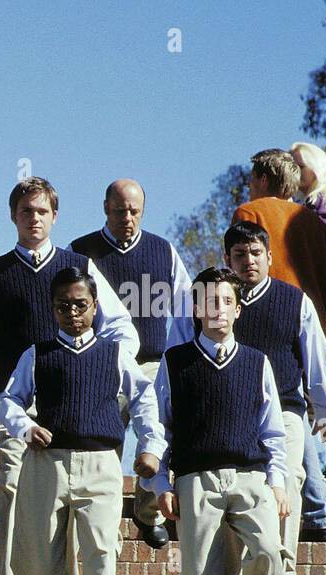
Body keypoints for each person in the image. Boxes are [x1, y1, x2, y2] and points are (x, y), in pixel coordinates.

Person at [0, 177, 139, 575]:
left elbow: (123, 330)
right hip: (16, 404)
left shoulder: (79, 266)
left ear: (55, 216)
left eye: (42, 211)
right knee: (10, 492)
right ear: (13, 216)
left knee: (73, 495)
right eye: (26, 211)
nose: (34, 219)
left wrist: (101, 375)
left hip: (75, 403)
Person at [0, 267, 163, 575]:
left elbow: (144, 400)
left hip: (100, 467)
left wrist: (150, 446)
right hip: (46, 466)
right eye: (63, 305)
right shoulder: (37, 354)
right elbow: (8, 401)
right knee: (37, 565)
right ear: (52, 309)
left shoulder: (114, 355)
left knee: (100, 566)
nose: (73, 312)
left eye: (81, 304)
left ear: (95, 307)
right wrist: (25, 425)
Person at [149, 268, 288, 575]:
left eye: (226, 301)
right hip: (195, 480)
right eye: (209, 301)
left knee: (270, 555)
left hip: (249, 477)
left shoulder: (256, 362)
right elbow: (158, 428)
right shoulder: (175, 362)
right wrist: (158, 482)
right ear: (196, 308)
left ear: (237, 308)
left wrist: (278, 482)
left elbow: (274, 431)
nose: (218, 309)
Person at [208, 222, 326, 575]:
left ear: (268, 257)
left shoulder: (294, 301)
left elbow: (315, 356)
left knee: (288, 482)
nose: (248, 261)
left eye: (255, 253)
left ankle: (283, 573)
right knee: (236, 490)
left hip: (285, 408)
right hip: (233, 412)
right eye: (239, 255)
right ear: (228, 259)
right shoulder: (219, 302)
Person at [70, 179, 193, 548]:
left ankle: (148, 510)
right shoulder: (81, 252)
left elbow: (186, 307)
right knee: (104, 442)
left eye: (134, 211)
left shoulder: (162, 251)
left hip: (152, 362)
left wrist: (181, 356)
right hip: (101, 362)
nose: (127, 217)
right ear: (106, 207)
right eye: (120, 210)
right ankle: (99, 518)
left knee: (156, 434)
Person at [233, 148, 326, 382]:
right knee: (307, 410)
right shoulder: (313, 222)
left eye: (251, 181)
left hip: (264, 331)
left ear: (263, 180)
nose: (249, 188)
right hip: (311, 333)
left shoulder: (248, 213)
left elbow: (243, 273)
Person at [290, 141, 326, 542]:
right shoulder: (312, 205)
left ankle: (316, 506)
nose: (295, 171)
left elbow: (314, 261)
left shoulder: (320, 206)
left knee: (308, 405)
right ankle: (316, 503)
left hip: (308, 313)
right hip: (313, 312)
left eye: (299, 165)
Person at [291, 142, 326, 246]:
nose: (295, 173)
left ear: (316, 169)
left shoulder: (322, 200)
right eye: (293, 168)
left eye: (301, 167)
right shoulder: (316, 200)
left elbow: (317, 241)